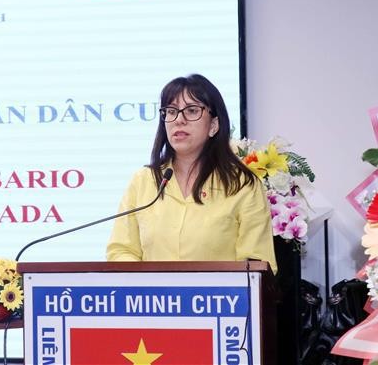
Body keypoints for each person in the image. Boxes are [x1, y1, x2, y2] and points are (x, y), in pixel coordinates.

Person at [106, 74, 278, 274]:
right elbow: (121, 251)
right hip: (152, 302)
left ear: (214, 125)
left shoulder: (242, 185)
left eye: (192, 110)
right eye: (171, 111)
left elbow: (256, 264)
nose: (179, 120)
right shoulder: (143, 181)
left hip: (219, 302)